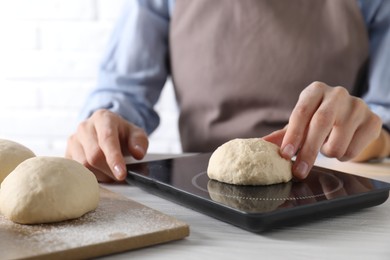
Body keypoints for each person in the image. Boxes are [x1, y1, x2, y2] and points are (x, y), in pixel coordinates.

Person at [66, 0, 390, 183]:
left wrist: (365, 133)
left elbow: (384, 121)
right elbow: (124, 91)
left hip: (333, 192)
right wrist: (106, 125)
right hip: (202, 198)